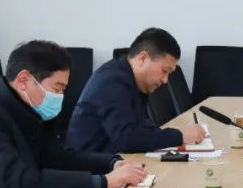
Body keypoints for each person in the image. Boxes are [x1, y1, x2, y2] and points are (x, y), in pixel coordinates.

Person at [0, 40, 147, 188]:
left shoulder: (30, 109)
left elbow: (59, 157)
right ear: (24, 80)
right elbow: (21, 183)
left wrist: (111, 163)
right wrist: (104, 182)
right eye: (57, 88)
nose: (60, 96)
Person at [66, 28, 208, 153]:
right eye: (164, 71)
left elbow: (140, 127)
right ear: (142, 58)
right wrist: (180, 136)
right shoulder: (113, 82)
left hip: (111, 161)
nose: (165, 80)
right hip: (90, 167)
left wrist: (172, 135)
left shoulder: (130, 78)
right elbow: (127, 139)